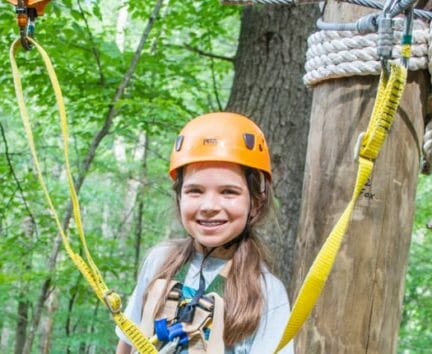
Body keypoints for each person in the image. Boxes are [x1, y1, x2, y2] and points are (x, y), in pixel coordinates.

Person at [116, 112, 294, 354]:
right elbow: (128, 344)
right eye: (195, 191)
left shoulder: (266, 292)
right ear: (179, 197)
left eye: (228, 192)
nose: (209, 206)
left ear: (256, 202)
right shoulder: (161, 262)